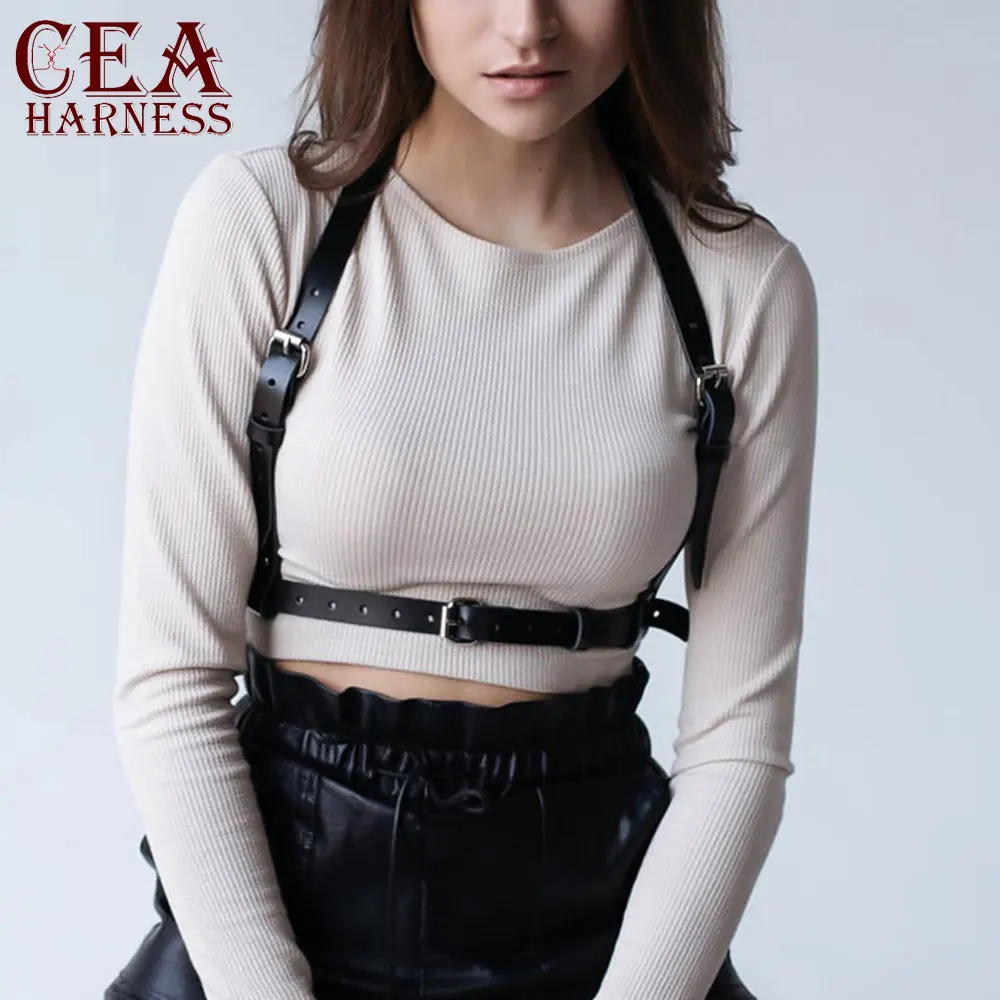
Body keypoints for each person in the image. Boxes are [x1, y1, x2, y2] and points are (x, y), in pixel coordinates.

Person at [105, 2, 818, 999]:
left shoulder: (740, 282)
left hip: (602, 930)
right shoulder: (264, 221)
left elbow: (739, 743)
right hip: (270, 920)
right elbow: (170, 686)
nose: (526, 26)